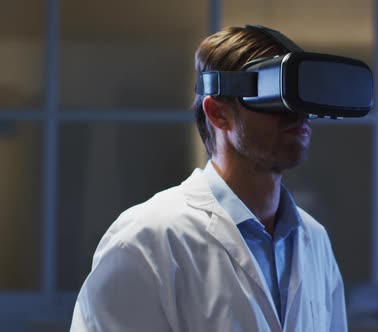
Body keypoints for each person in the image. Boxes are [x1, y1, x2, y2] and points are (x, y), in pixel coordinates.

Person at [70, 26, 347, 332]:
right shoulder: (144, 241)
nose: (298, 114)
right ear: (218, 113)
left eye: (300, 98)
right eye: (277, 95)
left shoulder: (315, 239)